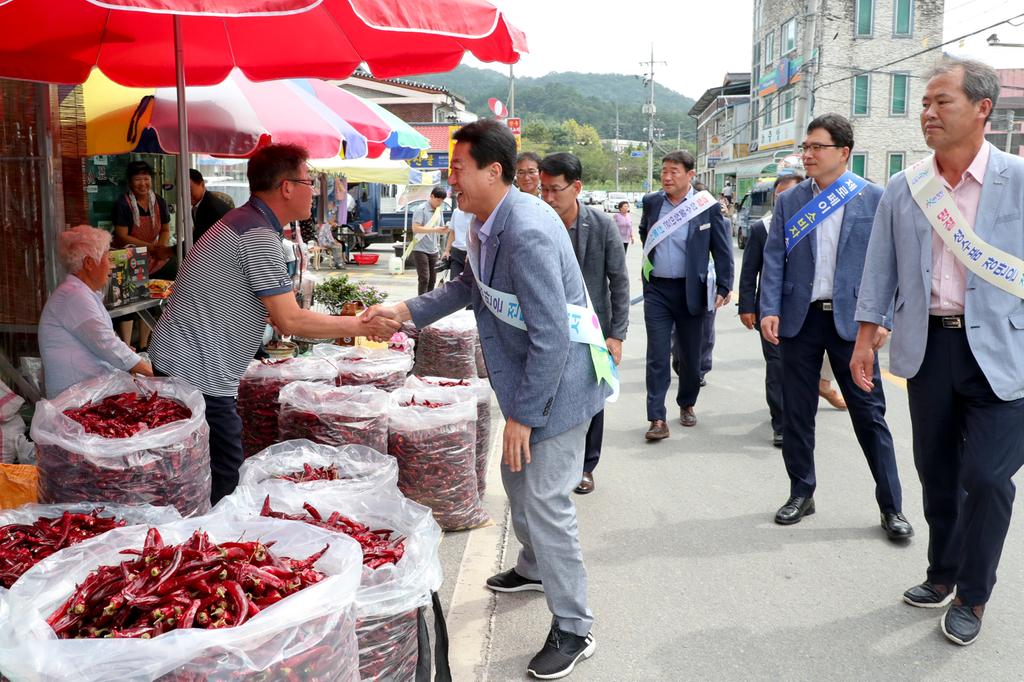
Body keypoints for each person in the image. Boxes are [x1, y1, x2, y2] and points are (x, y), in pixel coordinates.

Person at [363, 121, 605, 679]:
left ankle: (575, 627)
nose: (451, 180)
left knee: (545, 499)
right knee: (518, 483)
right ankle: (533, 566)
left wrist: (522, 416)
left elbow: (551, 334)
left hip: (560, 384)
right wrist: (405, 312)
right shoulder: (484, 220)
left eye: (457, 170)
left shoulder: (527, 230)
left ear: (493, 171)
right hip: (527, 378)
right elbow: (468, 287)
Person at [853, 57, 1024, 646]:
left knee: (989, 477)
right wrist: (864, 339)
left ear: (983, 109)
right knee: (938, 473)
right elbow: (880, 270)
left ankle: (973, 595)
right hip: (929, 350)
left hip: (1005, 354)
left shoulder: (1019, 180)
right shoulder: (906, 188)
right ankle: (943, 572)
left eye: (941, 102)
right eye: (924, 103)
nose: (926, 113)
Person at [148, 143, 399, 505]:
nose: (313, 191)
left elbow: (242, 294)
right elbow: (290, 319)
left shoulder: (245, 222)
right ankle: (212, 546)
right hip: (199, 371)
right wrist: (361, 326)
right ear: (286, 187)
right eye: (309, 182)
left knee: (199, 467)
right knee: (224, 474)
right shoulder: (257, 235)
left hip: (188, 361)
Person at [758, 114, 913, 540]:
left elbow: (892, 264)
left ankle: (892, 507)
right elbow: (775, 258)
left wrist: (882, 319)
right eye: (805, 147)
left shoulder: (873, 198)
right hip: (800, 319)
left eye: (816, 147)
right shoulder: (790, 201)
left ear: (843, 152)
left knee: (870, 416)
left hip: (854, 324)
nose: (806, 154)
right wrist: (769, 305)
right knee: (797, 412)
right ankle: (801, 492)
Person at [538, 152, 629, 496]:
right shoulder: (538, 223)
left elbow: (618, 282)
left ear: (576, 187)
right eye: (543, 190)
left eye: (555, 190)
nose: (548, 198)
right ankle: (552, 460)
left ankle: (587, 466)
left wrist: (616, 335)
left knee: (592, 398)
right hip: (549, 327)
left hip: (592, 330)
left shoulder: (602, 225)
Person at [639, 150, 733, 440]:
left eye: (674, 171)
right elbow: (645, 233)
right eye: (664, 171)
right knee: (657, 355)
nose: (667, 177)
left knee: (691, 358)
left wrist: (724, 286)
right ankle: (656, 418)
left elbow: (722, 249)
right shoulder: (652, 202)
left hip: (693, 291)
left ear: (691, 175)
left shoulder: (707, 207)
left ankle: (687, 403)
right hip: (658, 290)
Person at [39, 225, 153, 398]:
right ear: (89, 263)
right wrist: (151, 371)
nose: (111, 266)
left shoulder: (79, 292)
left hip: (89, 392)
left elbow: (102, 342)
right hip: (76, 400)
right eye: (107, 258)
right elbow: (107, 344)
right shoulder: (74, 296)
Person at [738, 174, 803, 448]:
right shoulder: (761, 228)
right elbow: (749, 270)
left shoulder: (815, 224)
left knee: (800, 369)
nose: (784, 200)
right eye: (780, 196)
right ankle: (781, 423)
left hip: (805, 310)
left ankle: (799, 415)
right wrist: (746, 306)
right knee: (776, 367)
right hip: (771, 309)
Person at [111, 160, 174, 351]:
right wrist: (150, 248)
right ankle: (127, 345)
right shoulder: (123, 203)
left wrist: (160, 247)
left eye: (146, 179)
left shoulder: (159, 201)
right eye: (138, 179)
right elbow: (122, 236)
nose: (143, 184)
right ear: (130, 182)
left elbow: (164, 229)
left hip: (153, 255)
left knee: (152, 297)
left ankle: (145, 345)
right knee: (129, 301)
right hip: (127, 255)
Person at [410, 186, 448, 295]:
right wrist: (434, 229)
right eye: (438, 200)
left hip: (434, 249)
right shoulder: (420, 209)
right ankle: (420, 303)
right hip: (420, 249)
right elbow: (415, 228)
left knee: (433, 279)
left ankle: (428, 303)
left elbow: (440, 229)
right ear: (431, 196)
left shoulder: (439, 211)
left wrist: (444, 229)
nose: (440, 203)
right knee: (424, 278)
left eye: (442, 201)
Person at [189, 168, 231, 244]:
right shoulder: (198, 206)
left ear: (202, 184)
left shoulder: (210, 208)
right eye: (182, 191)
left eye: (189, 190)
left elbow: (200, 240)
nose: (186, 195)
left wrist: (170, 250)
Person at [442, 206, 471, 281]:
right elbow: (452, 232)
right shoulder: (456, 212)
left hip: (471, 254)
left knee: (469, 283)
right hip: (456, 252)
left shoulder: (477, 213)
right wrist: (447, 250)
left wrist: (471, 252)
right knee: (454, 281)